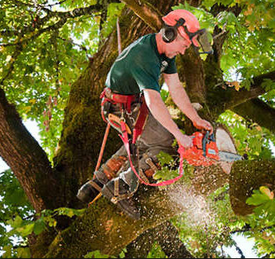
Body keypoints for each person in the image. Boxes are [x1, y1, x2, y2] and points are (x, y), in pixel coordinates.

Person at [76, 9, 213, 219]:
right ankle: (119, 188)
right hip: (122, 108)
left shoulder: (164, 53)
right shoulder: (145, 56)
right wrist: (179, 136)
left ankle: (101, 178)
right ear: (170, 34)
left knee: (146, 139)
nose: (184, 52)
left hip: (132, 106)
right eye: (184, 45)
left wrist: (196, 119)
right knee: (166, 144)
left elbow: (175, 88)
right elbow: (154, 101)